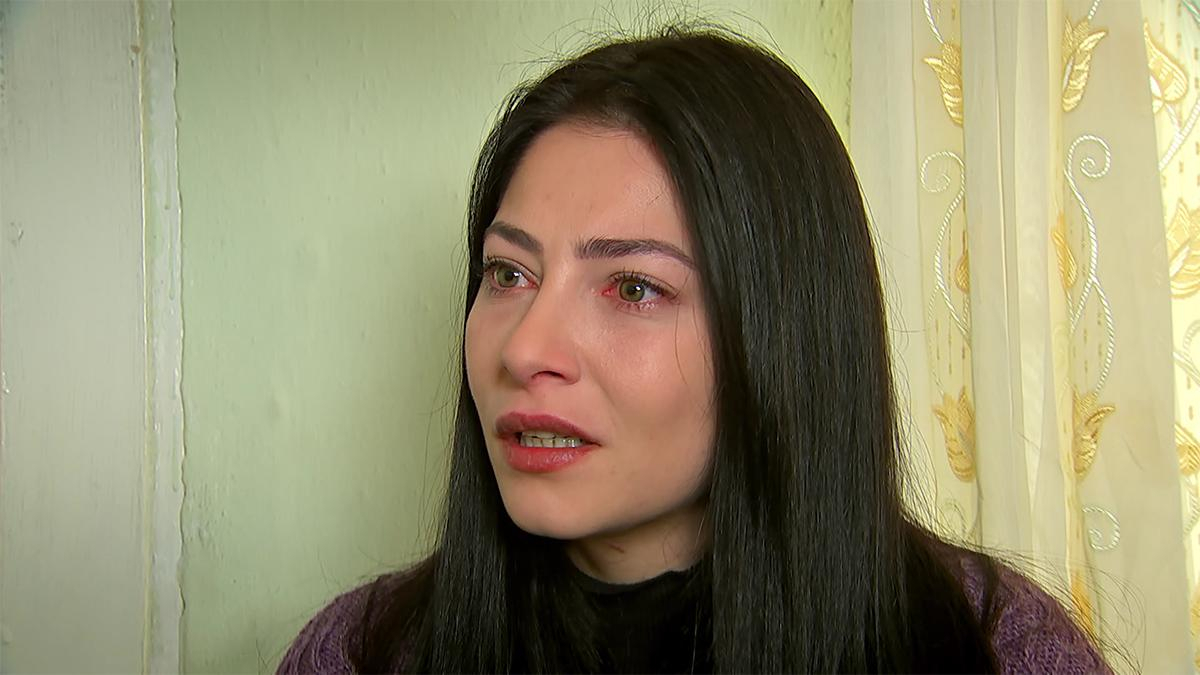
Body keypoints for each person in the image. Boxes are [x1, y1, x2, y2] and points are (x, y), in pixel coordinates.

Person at [278, 27, 1112, 674]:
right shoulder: (358, 654)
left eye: (633, 287)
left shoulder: (998, 647)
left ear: (780, 332)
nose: (525, 347)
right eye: (508, 273)